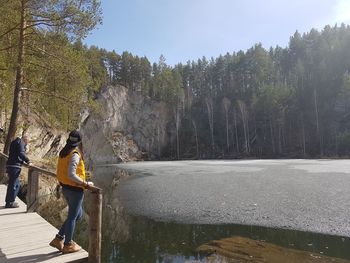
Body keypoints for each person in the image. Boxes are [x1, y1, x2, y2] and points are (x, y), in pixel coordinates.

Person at [49, 130, 93, 254]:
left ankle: (58, 239)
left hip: (66, 188)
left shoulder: (64, 152)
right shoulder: (75, 154)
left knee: (77, 215)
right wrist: (85, 183)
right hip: (74, 190)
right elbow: (71, 174)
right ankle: (68, 244)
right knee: (73, 217)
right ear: (79, 142)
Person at [5, 133, 31, 208]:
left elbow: (16, 153)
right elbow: (21, 153)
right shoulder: (20, 143)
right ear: (25, 139)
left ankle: (9, 201)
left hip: (11, 165)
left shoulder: (15, 142)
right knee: (14, 185)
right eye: (27, 142)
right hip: (14, 166)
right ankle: (10, 203)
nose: (26, 143)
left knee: (14, 184)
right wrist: (28, 161)